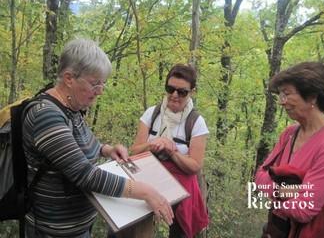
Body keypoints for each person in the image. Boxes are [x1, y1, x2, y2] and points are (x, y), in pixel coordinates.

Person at [23, 38, 173, 238]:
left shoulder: (72, 107)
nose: (100, 91)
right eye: (95, 84)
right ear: (69, 78)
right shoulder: (46, 116)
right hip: (53, 230)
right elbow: (86, 175)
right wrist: (146, 192)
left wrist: (107, 149)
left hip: (78, 228)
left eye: (102, 83)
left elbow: (80, 146)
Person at [255, 62, 324, 237]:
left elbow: (304, 210)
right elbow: (259, 177)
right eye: (280, 95)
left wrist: (276, 192)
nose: (281, 102)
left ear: (312, 96)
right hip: (276, 230)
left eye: (286, 94)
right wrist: (293, 190)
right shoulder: (289, 134)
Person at [130, 63, 209, 238]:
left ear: (192, 92)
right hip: (148, 176)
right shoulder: (152, 113)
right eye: (170, 89)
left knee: (179, 231)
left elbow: (195, 165)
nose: (174, 95)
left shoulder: (196, 122)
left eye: (182, 92)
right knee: (128, 221)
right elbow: (134, 152)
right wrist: (152, 145)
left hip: (180, 185)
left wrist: (172, 151)